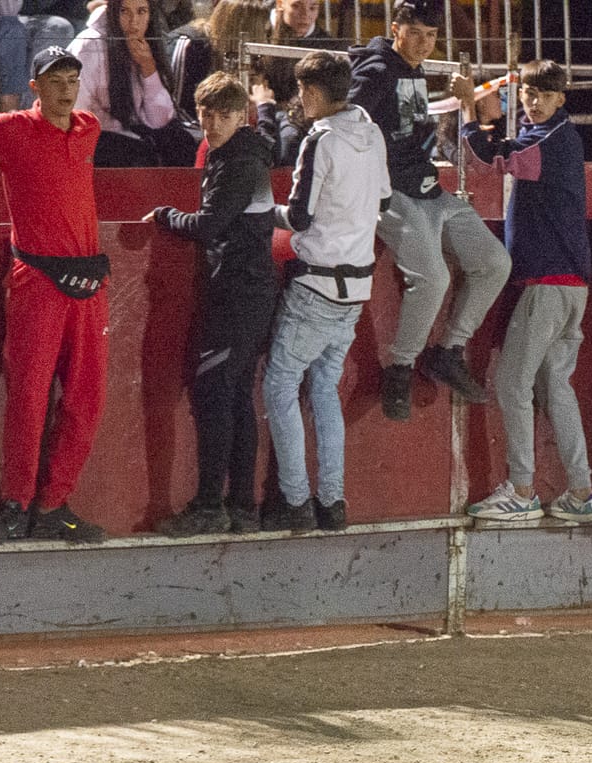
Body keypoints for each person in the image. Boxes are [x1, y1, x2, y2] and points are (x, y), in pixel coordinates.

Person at [0, 47, 108, 543]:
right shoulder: (9, 128)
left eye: (72, 79)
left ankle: (53, 504)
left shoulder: (89, 128)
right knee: (29, 397)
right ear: (35, 86)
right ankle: (16, 504)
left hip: (88, 282)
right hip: (37, 280)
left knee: (86, 399)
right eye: (55, 80)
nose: (66, 88)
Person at [458, 60, 592, 528]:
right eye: (529, 93)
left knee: (512, 383)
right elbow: (508, 149)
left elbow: (491, 158)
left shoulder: (550, 138)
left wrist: (468, 109)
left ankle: (522, 489)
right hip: (568, 286)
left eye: (544, 94)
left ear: (561, 98)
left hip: (547, 283)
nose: (535, 101)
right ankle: (580, 492)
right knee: (554, 386)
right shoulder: (554, 135)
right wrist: (488, 115)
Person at [351, 0, 510, 421]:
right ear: (396, 29)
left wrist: (462, 103)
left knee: (495, 262)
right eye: (416, 34)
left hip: (427, 187)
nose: (424, 44)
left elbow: (412, 130)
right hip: (392, 192)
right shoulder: (377, 69)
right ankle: (400, 369)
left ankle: (448, 351)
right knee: (434, 277)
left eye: (432, 36)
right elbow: (348, 119)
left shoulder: (412, 69)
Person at [262, 49, 390, 532]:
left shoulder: (320, 140)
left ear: (313, 91)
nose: (300, 99)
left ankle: (296, 500)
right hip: (356, 287)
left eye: (302, 90)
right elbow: (383, 200)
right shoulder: (371, 131)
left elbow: (299, 217)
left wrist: (260, 210)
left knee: (280, 384)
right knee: (324, 388)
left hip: (316, 282)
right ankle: (332, 502)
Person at [142, 72, 275, 536]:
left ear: (241, 117)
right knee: (234, 396)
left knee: (216, 394)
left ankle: (209, 506)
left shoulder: (237, 161)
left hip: (238, 294)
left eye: (223, 115)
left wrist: (165, 215)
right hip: (248, 292)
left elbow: (207, 226)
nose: (212, 124)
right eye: (206, 114)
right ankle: (241, 506)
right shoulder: (242, 154)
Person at [69, 0, 197, 164]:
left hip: (133, 132)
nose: (134, 21)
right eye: (124, 11)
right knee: (137, 155)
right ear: (113, 12)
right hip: (96, 134)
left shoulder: (148, 42)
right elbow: (78, 111)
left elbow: (160, 120)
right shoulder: (89, 43)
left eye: (141, 12)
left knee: (181, 142)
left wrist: (148, 67)